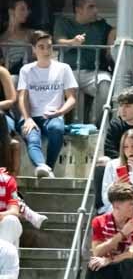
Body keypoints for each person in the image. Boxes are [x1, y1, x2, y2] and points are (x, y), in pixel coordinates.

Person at [17, 30, 76, 178]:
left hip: (53, 115)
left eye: (49, 46)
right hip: (31, 116)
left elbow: (72, 98)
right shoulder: (26, 70)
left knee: (56, 128)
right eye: (41, 47)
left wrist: (60, 112)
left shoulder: (63, 68)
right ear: (34, 49)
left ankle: (48, 168)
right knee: (32, 137)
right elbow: (22, 96)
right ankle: (42, 166)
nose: (46, 50)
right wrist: (27, 118)